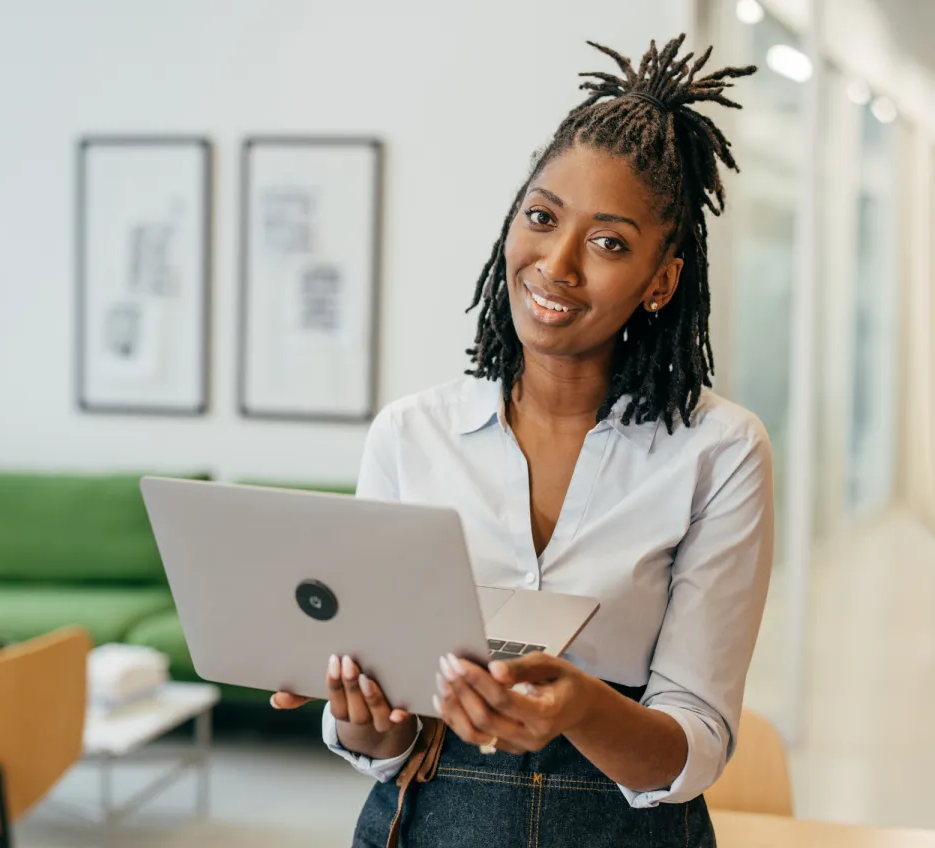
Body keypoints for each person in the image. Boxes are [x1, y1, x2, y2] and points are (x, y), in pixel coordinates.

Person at [272, 34, 773, 848]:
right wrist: (363, 720)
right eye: (542, 218)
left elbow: (695, 743)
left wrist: (578, 706)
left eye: (609, 242)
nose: (558, 264)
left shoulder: (720, 452)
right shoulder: (411, 434)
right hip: (425, 820)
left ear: (661, 282)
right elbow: (385, 742)